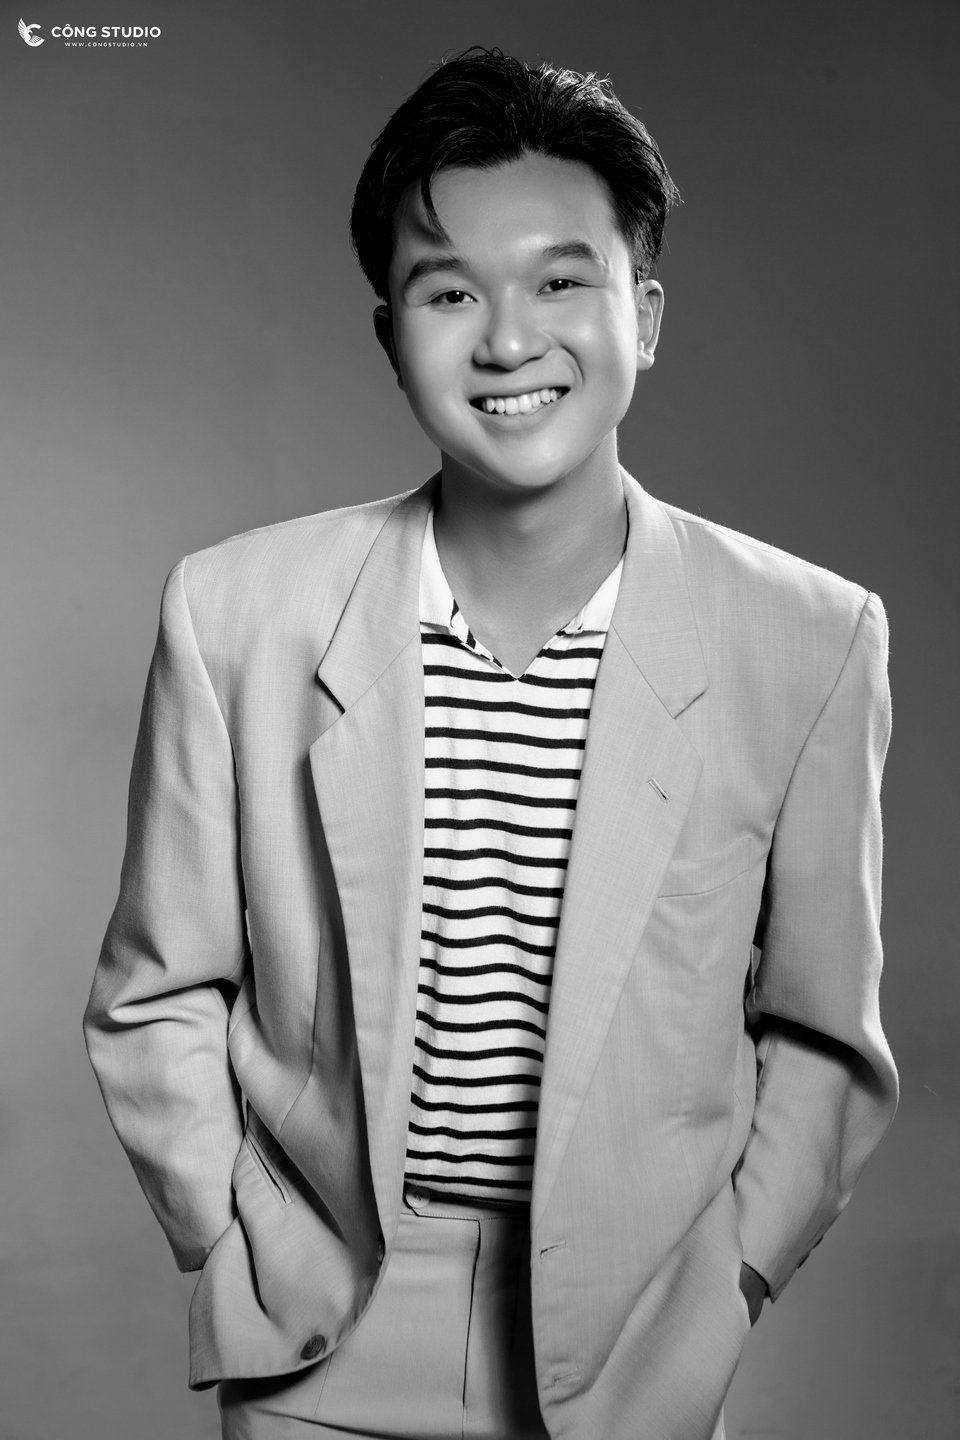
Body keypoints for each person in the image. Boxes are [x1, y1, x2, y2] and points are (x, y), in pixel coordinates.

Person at [84, 48, 897, 1440]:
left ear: (645, 314)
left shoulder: (810, 639)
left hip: (640, 1347)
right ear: (388, 332)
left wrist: (728, 1291)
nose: (509, 341)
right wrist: (231, 1240)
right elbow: (155, 992)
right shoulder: (238, 613)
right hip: (323, 1336)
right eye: (450, 291)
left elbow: (824, 1036)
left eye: (561, 281)